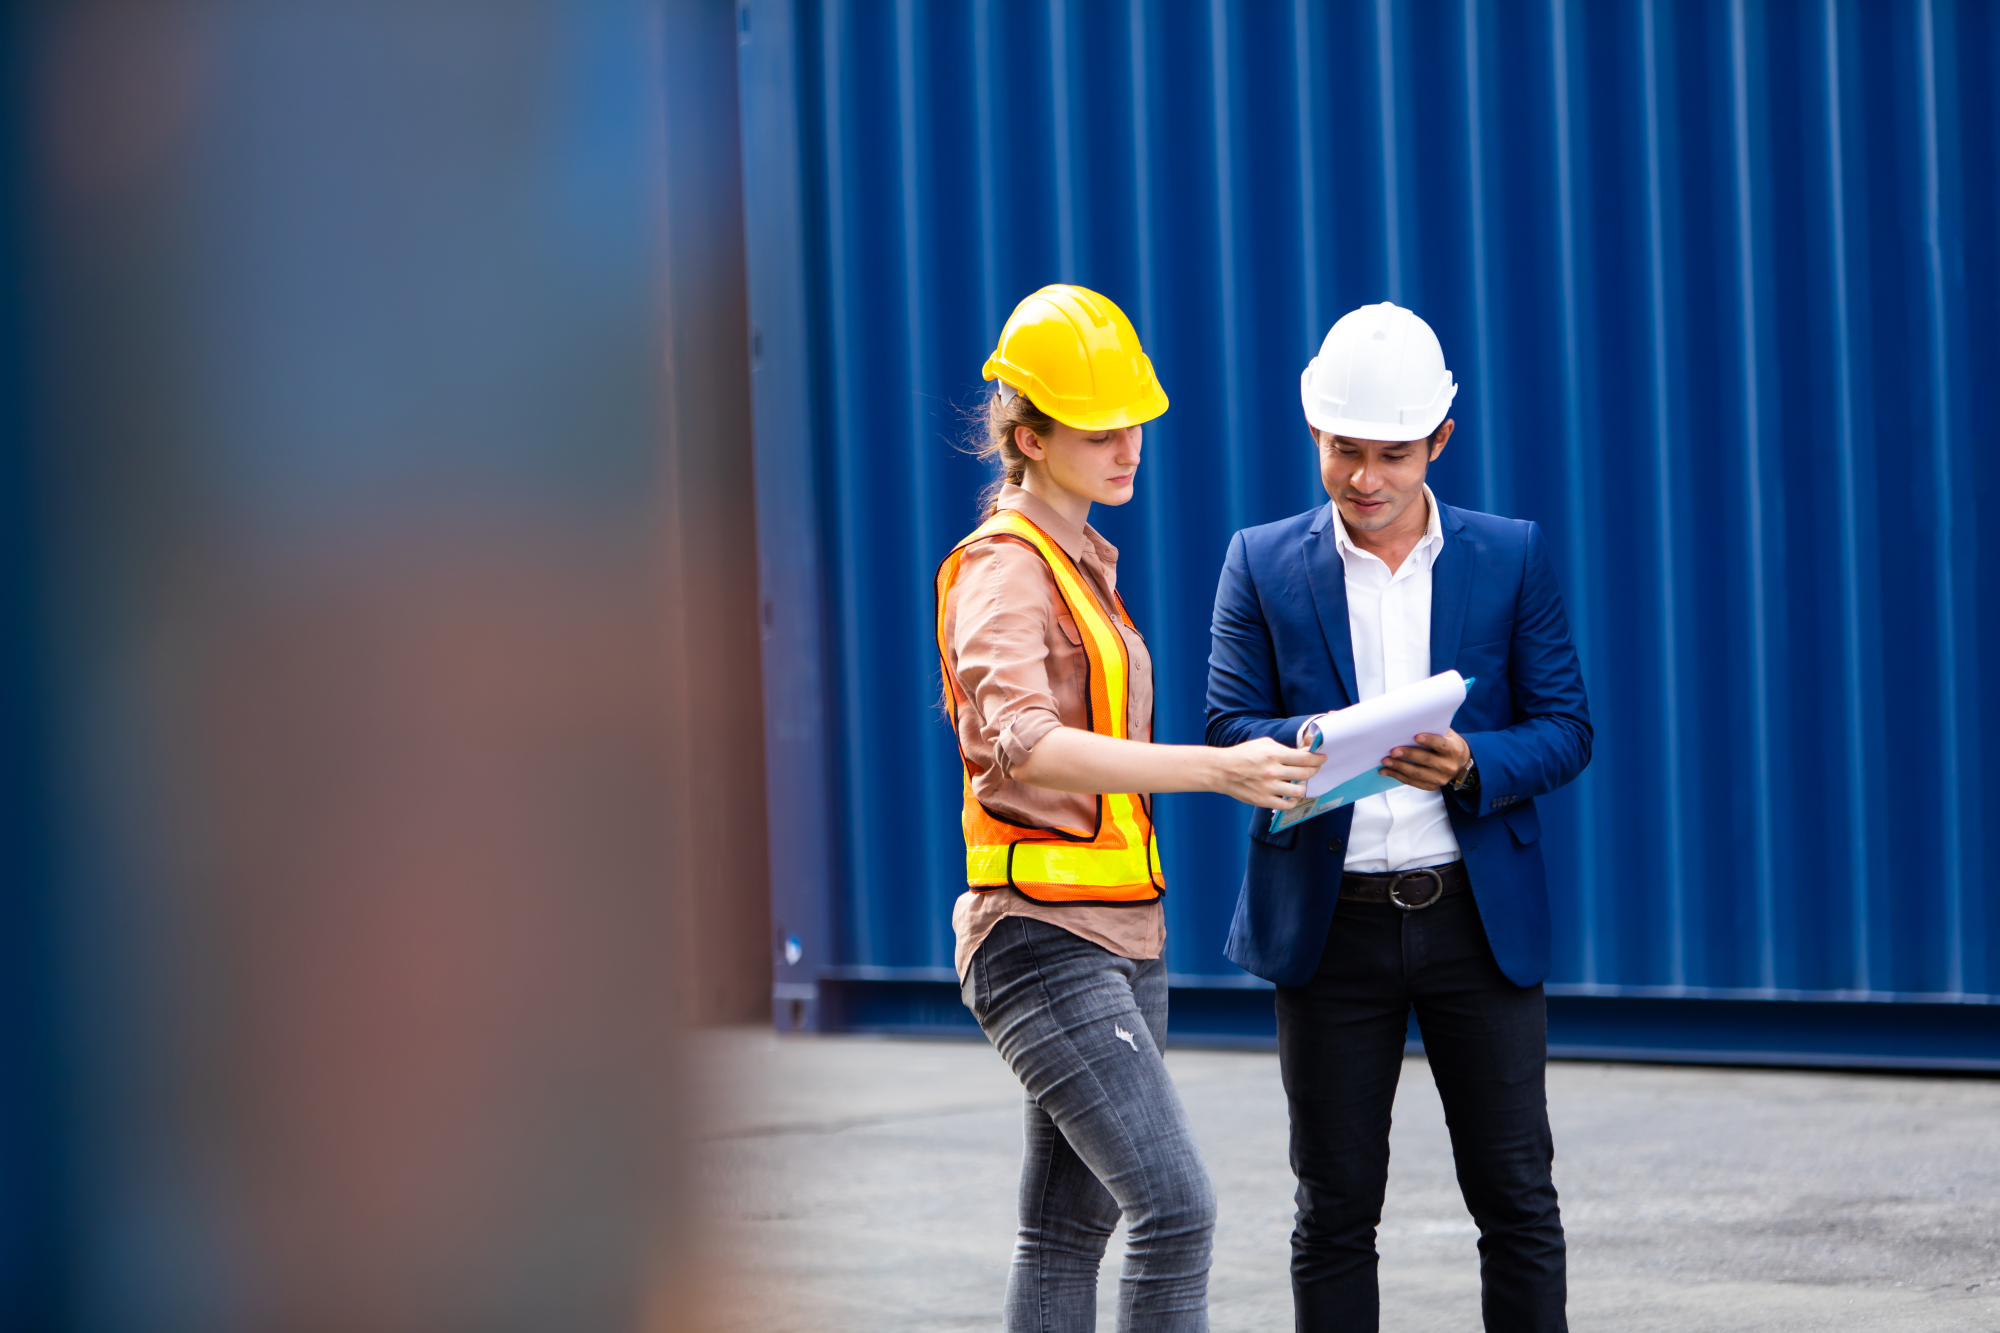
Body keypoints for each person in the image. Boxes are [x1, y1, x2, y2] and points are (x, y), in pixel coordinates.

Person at [937, 283, 1325, 1333]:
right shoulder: (1002, 573)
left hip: (1117, 931)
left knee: (1065, 1229)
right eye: (1099, 428)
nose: (1128, 445)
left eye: (1134, 422)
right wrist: (1219, 769)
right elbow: (1023, 744)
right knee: (1174, 1208)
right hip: (1037, 937)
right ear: (1027, 436)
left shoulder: (1079, 565)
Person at [1205, 302, 1592, 1332]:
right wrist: (1317, 742)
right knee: (1331, 1210)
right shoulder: (1258, 560)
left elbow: (1565, 726)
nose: (1363, 478)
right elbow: (1225, 718)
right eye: (1341, 451)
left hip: (1474, 920)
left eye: (1389, 454)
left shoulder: (1509, 557)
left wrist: (1473, 761)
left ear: (1438, 443)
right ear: (1313, 435)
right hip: (1330, 930)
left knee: (1515, 1199)